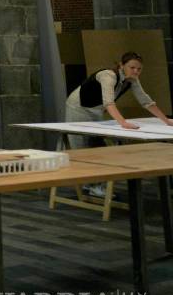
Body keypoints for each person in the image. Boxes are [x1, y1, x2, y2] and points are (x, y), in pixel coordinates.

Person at [66, 52, 172, 197]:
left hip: (96, 109)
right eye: (132, 67)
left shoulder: (132, 80)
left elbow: (146, 101)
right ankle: (89, 185)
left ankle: (95, 184)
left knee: (98, 146)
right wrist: (123, 123)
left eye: (139, 69)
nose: (135, 71)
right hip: (78, 107)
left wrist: (166, 120)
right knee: (81, 146)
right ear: (122, 65)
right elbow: (109, 102)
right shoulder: (108, 76)